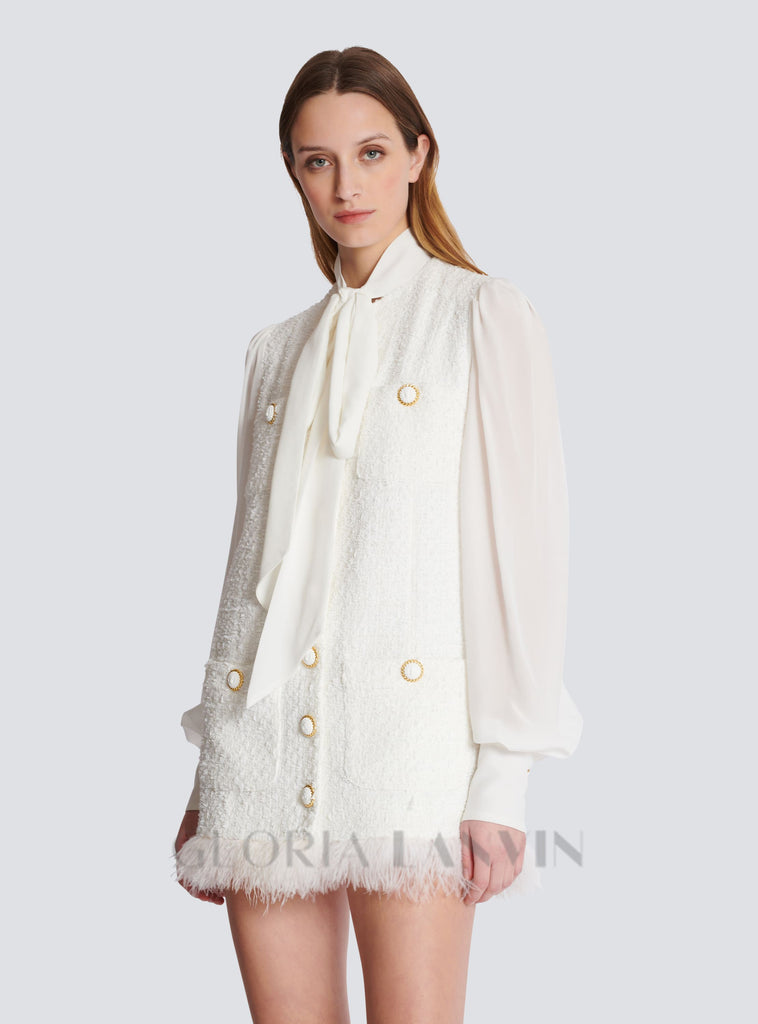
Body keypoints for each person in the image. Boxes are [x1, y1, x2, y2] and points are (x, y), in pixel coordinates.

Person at [172, 45, 583, 1024]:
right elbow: (249, 570)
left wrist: (500, 783)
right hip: (260, 751)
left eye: (369, 153)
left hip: (413, 757)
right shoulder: (272, 352)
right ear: (292, 172)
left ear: (417, 155)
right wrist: (206, 775)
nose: (344, 186)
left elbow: (521, 562)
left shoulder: (481, 317)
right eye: (316, 161)